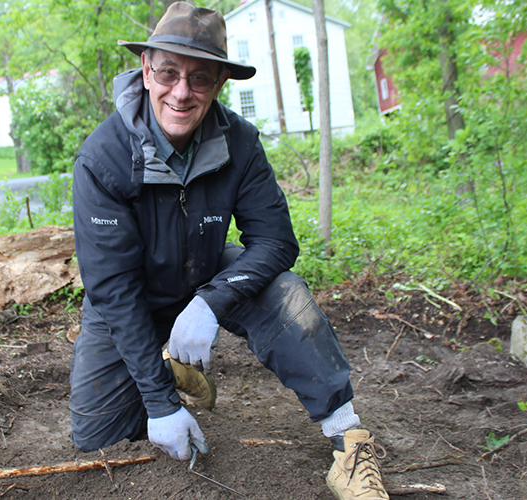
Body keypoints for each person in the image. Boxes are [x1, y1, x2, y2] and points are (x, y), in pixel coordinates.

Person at [70, 3, 387, 499]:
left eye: (200, 79)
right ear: (146, 71)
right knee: (97, 440)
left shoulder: (238, 141)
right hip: (130, 298)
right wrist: (159, 404)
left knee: (285, 293)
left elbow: (277, 241)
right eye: (168, 72)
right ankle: (163, 371)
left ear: (219, 86)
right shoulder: (104, 157)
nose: (181, 92)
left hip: (204, 276)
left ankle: (348, 439)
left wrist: (209, 304)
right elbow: (111, 289)